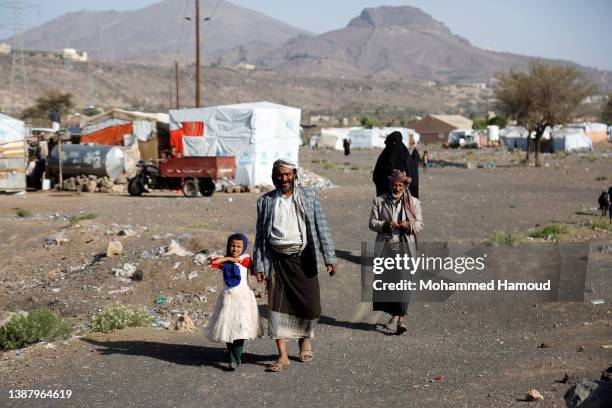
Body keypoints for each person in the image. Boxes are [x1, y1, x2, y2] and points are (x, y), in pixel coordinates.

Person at [254, 159, 337, 372]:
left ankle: (304, 340)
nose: (284, 179)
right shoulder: (265, 202)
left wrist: (330, 257)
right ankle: (282, 356)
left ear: (294, 174)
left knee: (310, 306)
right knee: (277, 310)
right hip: (277, 262)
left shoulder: (309, 196)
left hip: (304, 259)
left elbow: (322, 227)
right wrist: (260, 265)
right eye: (280, 175)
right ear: (274, 177)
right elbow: (261, 237)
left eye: (287, 174)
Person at [369, 170, 423, 334]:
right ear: (390, 185)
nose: (397, 187)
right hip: (386, 247)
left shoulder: (413, 202)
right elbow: (372, 223)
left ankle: (400, 320)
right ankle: (394, 316)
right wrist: (385, 225)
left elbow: (420, 224)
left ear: (405, 185)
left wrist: (409, 226)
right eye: (394, 185)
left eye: (400, 185)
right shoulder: (379, 201)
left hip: (405, 248)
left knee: (403, 284)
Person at [206, 233, 261, 370]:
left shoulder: (245, 259)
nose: (235, 249)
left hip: (242, 299)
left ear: (244, 247)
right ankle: (232, 355)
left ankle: (235, 358)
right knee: (228, 328)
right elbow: (212, 262)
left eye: (238, 246)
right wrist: (230, 259)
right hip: (228, 299)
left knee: (239, 329)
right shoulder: (225, 260)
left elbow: (254, 270)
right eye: (232, 246)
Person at [373, 131, 419, 199]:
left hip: (405, 199)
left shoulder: (406, 159)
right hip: (386, 200)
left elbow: (413, 179)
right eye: (392, 144)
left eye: (395, 143)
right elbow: (377, 177)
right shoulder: (384, 159)